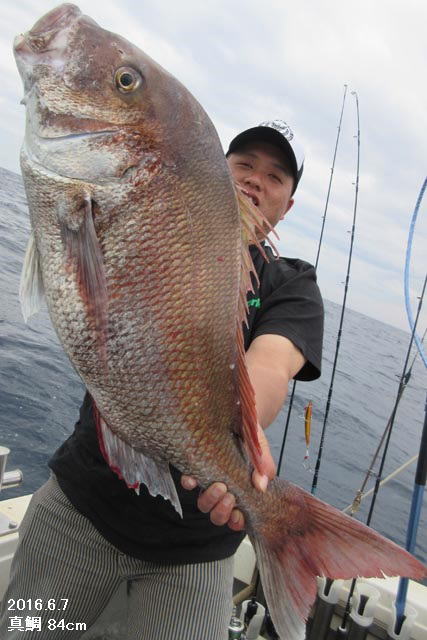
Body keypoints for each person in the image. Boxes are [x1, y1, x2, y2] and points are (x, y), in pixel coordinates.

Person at [0, 120, 324, 639]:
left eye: (275, 176)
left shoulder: (292, 285)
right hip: (81, 508)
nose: (255, 180)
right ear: (214, 170)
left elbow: (271, 364)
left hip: (196, 550)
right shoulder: (156, 226)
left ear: (287, 205)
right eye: (244, 164)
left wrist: (239, 440)